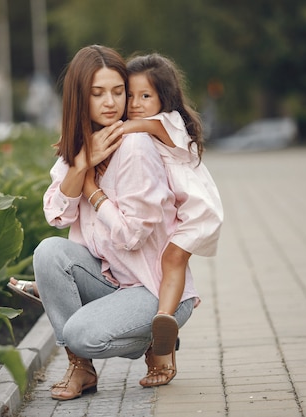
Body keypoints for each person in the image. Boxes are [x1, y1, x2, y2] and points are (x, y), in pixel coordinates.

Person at [27, 44, 199, 401]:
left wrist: (92, 192)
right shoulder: (82, 144)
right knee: (48, 253)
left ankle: (156, 339)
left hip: (156, 291)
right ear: (80, 98)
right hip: (112, 280)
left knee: (81, 333)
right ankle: (82, 368)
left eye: (118, 91)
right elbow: (56, 215)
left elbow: (133, 235)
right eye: (98, 93)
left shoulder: (136, 145)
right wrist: (80, 166)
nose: (111, 102)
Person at [117, 52, 224, 386]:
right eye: (130, 95)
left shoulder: (165, 122)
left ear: (165, 98)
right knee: (168, 262)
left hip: (198, 211)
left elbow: (131, 126)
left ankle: (164, 318)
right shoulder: (157, 124)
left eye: (145, 96)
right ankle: (164, 330)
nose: (134, 104)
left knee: (172, 259)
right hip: (189, 211)